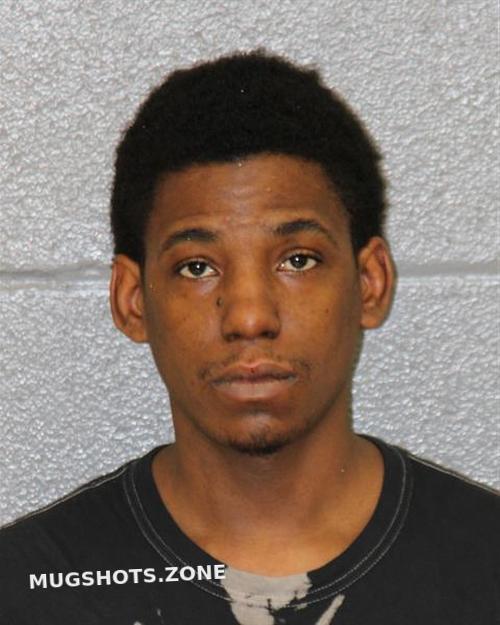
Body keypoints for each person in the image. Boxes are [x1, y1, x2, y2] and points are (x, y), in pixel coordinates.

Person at [0, 50, 498, 625]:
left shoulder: (485, 565)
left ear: (370, 283)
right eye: (197, 267)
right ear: (132, 299)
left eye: (298, 260)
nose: (249, 317)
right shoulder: (28, 588)